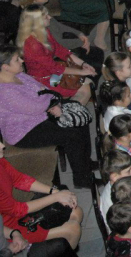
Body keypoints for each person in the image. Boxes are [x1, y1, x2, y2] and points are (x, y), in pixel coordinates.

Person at [0, 46, 95, 189]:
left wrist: (53, 102)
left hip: (41, 115)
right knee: (71, 135)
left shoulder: (19, 76)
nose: (21, 61)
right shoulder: (4, 91)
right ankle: (82, 179)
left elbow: (44, 89)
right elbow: (34, 107)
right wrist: (52, 102)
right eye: (16, 60)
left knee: (78, 115)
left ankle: (86, 162)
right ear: (5, 67)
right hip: (24, 131)